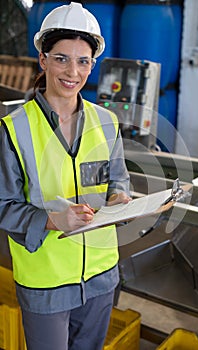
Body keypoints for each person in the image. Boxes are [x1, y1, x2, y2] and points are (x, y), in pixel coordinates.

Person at [0, 3, 131, 350]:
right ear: (43, 60)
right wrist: (53, 220)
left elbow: (118, 180)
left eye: (83, 60)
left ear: (93, 64)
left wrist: (120, 198)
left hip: (102, 277)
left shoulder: (107, 121)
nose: (72, 71)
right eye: (61, 58)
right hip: (47, 282)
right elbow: (3, 205)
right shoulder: (14, 129)